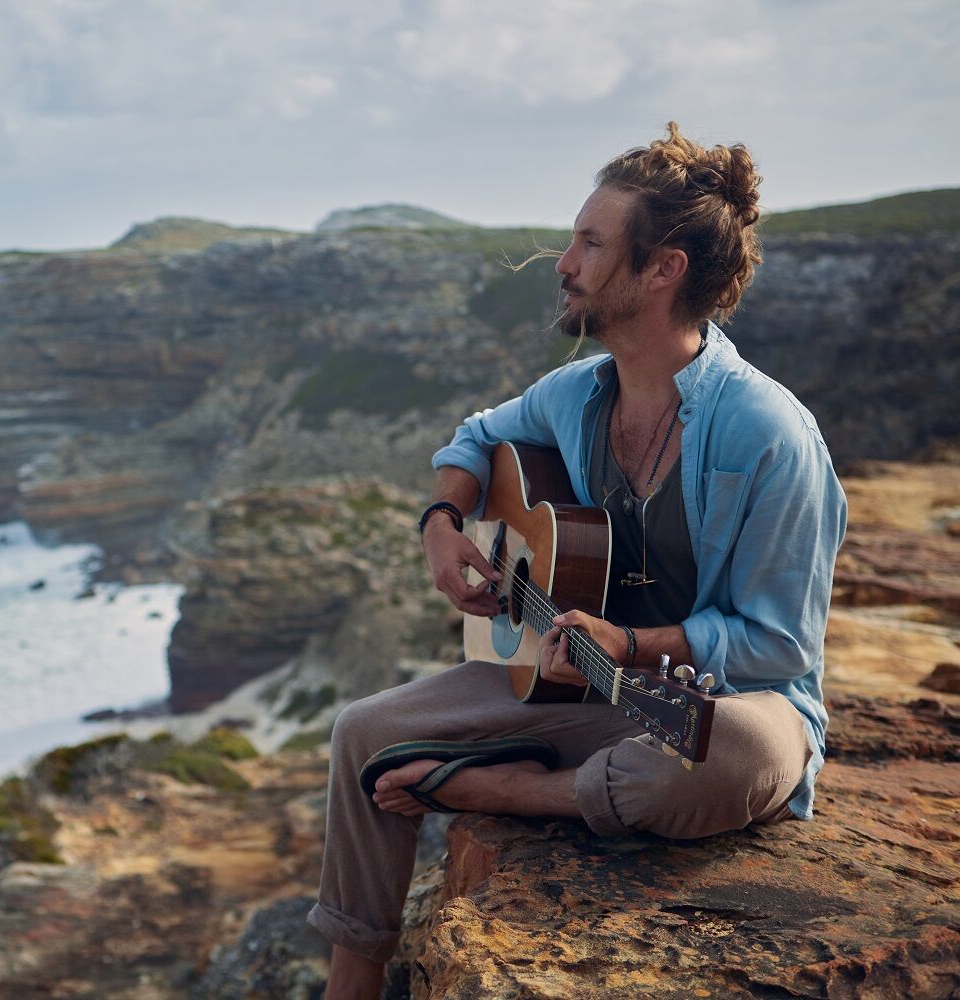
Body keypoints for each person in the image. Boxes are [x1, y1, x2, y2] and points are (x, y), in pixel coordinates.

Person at [305, 123, 848, 999]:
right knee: (358, 732)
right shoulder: (577, 394)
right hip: (574, 689)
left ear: (663, 268)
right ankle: (352, 981)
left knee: (729, 750)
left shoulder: (768, 432)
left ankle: (518, 790)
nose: (563, 262)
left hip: (715, 707)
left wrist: (633, 647)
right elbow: (479, 436)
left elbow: (780, 646)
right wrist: (442, 520)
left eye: (591, 244)